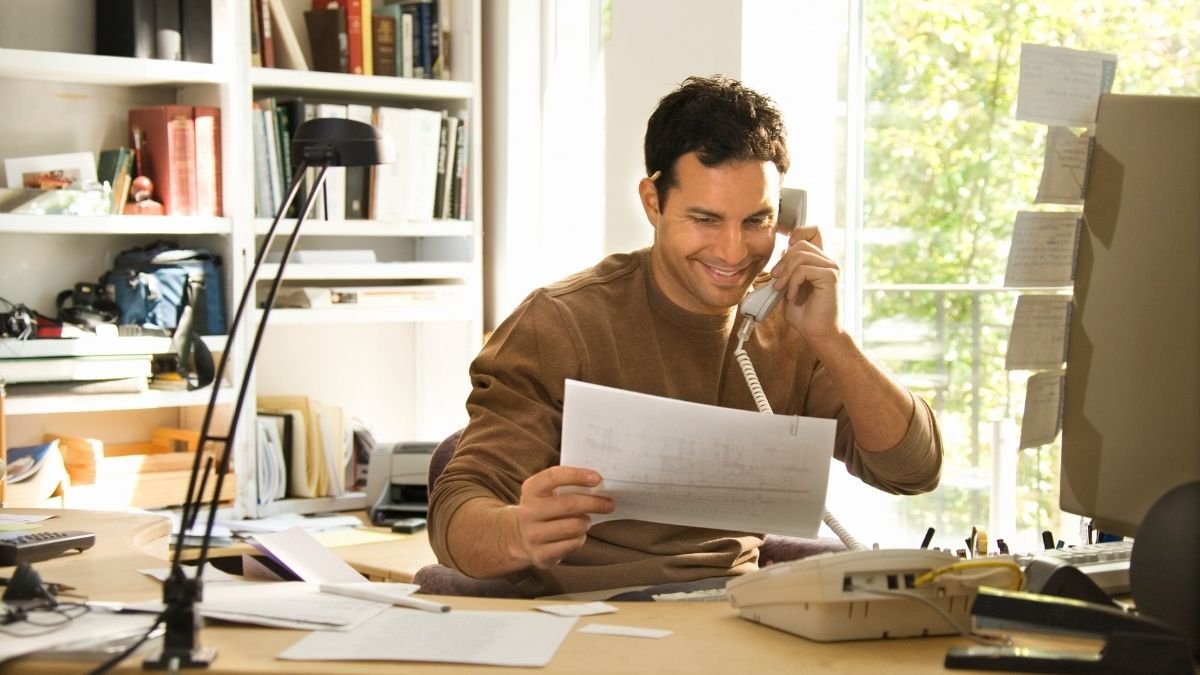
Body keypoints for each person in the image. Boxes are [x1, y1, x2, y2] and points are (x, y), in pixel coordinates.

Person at [427, 75, 943, 598]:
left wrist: (831, 338)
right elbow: (456, 510)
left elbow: (913, 470)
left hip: (733, 610)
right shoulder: (559, 322)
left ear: (786, 216)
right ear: (653, 202)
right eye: (705, 219)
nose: (733, 251)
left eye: (757, 220)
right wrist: (517, 532)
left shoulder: (789, 321)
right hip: (590, 613)